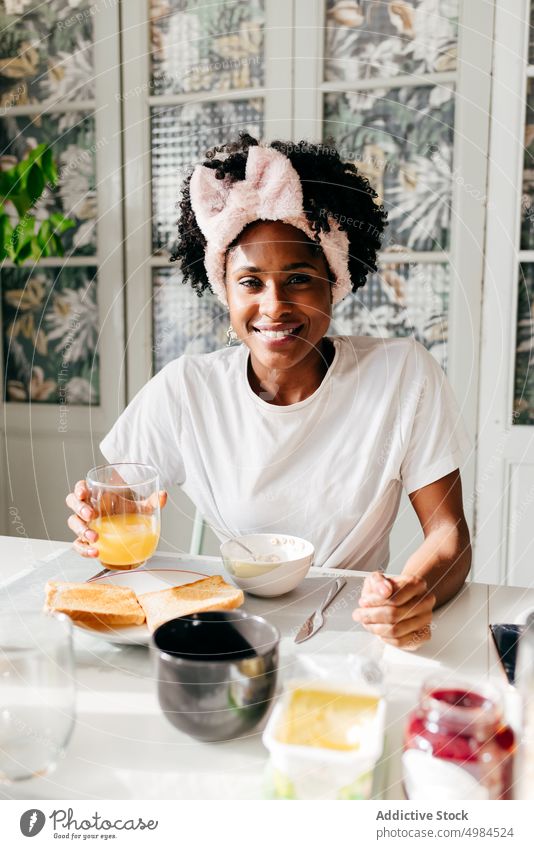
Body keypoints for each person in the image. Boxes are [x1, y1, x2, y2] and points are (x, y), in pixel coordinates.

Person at [66, 133, 472, 650]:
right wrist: (93, 518)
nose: (274, 305)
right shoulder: (186, 389)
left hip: (355, 630)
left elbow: (449, 538)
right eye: (251, 282)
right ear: (225, 292)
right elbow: (117, 511)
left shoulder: (401, 376)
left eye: (299, 278)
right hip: (232, 631)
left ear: (335, 282)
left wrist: (413, 594)